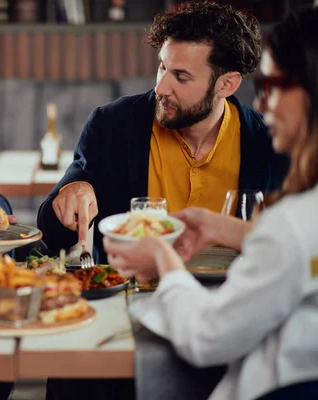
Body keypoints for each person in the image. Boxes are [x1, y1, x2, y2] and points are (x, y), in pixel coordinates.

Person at [104, 8, 318, 400]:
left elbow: (206, 339)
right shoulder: (302, 218)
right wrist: (229, 229)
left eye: (276, 86)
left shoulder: (289, 224)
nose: (265, 103)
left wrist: (163, 260)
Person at [38, 1, 289, 264]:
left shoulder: (271, 142)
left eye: (181, 77)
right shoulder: (112, 125)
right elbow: (53, 236)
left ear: (227, 84)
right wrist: (74, 191)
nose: (161, 88)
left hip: (236, 296)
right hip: (133, 297)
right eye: (162, 67)